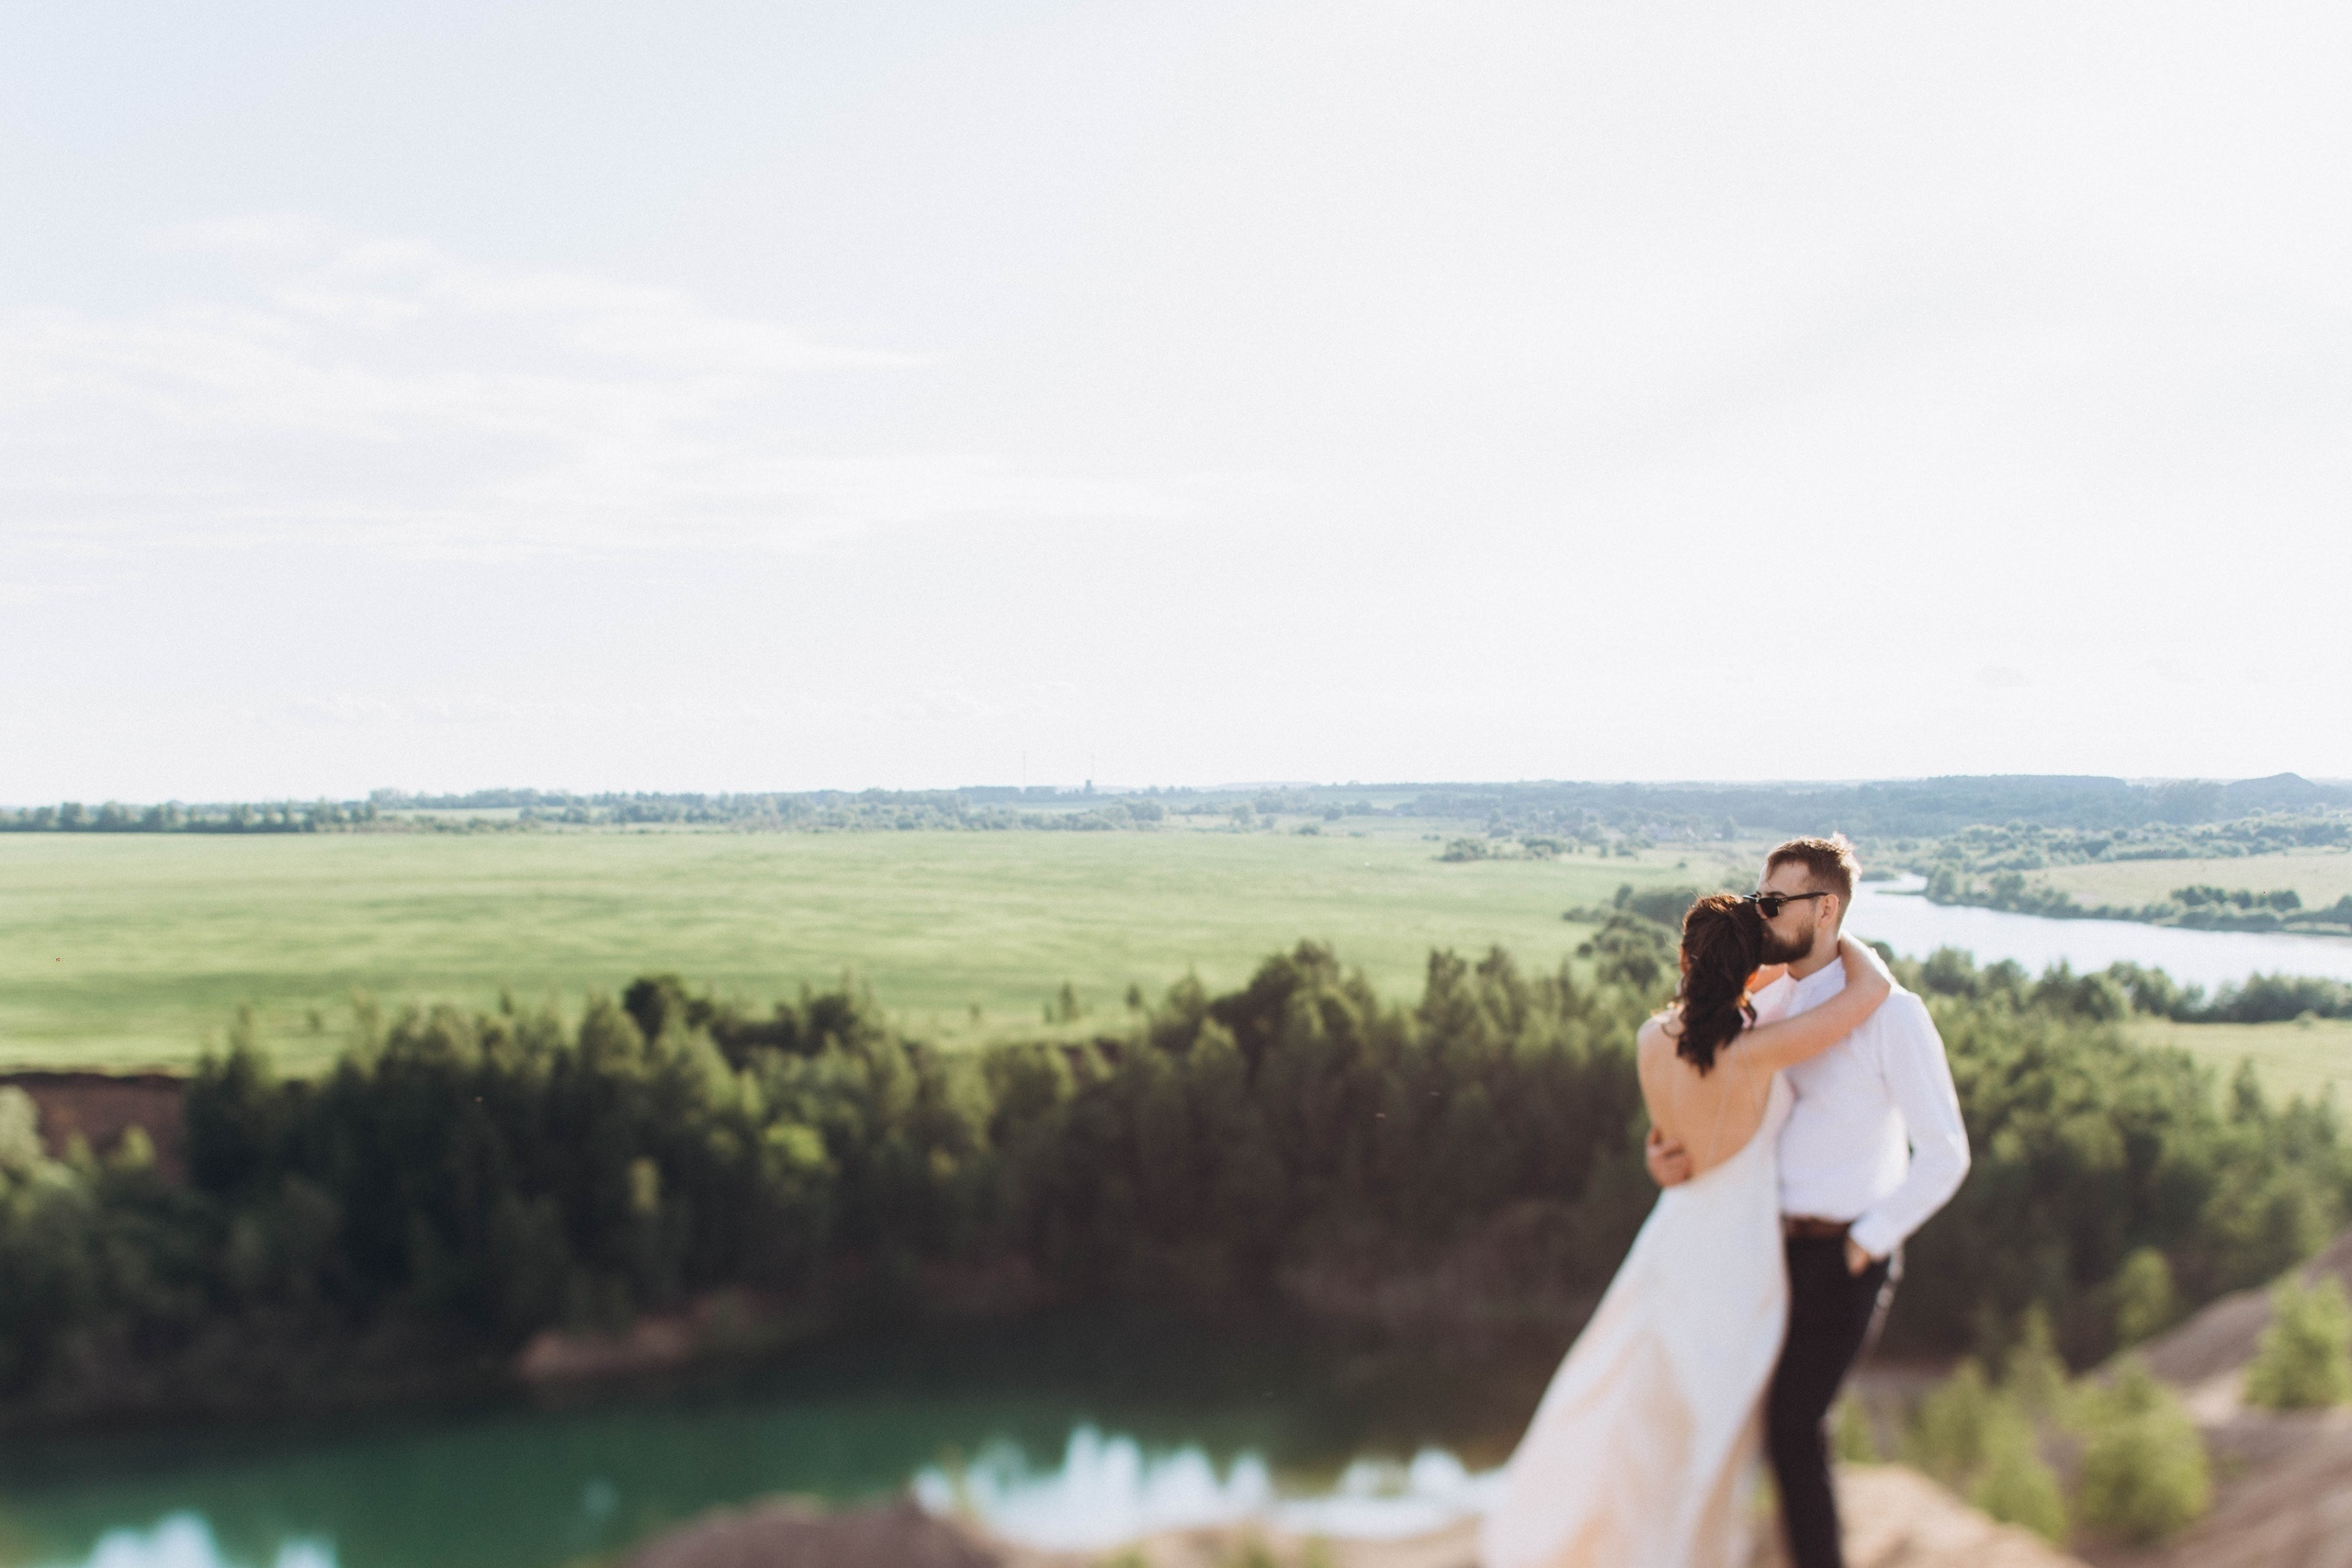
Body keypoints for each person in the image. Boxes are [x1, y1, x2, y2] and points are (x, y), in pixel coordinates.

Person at [1479, 891, 1894, 1568]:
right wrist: (1831, 927)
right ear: (1749, 966)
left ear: (1684, 958)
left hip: (1672, 1242)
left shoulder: (1651, 1039)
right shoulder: (1756, 1052)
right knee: (1710, 1436)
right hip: (1740, 1258)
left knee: (1638, 1413)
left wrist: (1657, 1157)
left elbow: (1673, 1145)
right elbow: (1869, 993)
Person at [1647, 837, 1971, 1568]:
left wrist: (1869, 1239)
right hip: (1755, 1246)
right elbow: (1712, 1097)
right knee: (1733, 1420)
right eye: (1757, 897)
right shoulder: (1763, 999)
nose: (1759, 914)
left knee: (1795, 1426)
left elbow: (1946, 1151)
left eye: (1774, 901)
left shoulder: (1894, 1016)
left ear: (1826, 908)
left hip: (1842, 1257)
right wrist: (1664, 1151)